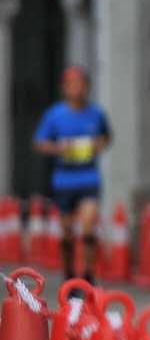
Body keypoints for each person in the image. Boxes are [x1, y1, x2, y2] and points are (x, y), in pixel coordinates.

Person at [32, 66, 111, 283]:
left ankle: (88, 274)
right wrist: (59, 148)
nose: (77, 89)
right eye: (72, 85)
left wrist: (97, 145)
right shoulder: (55, 115)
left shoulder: (96, 114)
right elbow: (40, 143)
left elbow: (106, 138)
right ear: (64, 88)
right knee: (67, 232)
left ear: (87, 87)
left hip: (88, 177)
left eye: (81, 84)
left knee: (87, 226)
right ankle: (68, 272)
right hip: (64, 179)